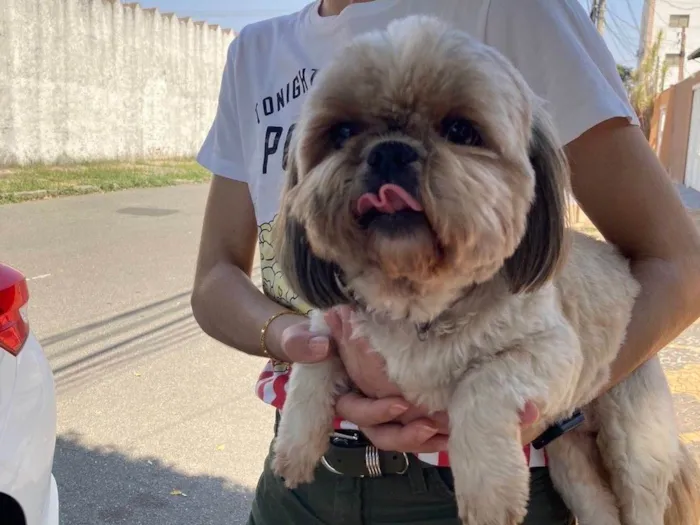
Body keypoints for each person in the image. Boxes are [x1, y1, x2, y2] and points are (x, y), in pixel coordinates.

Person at [191, 0, 700, 523]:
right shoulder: (253, 53)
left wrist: (530, 409)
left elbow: (680, 266)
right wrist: (297, 340)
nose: (388, 161)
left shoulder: (514, 11)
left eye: (458, 132)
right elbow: (214, 278)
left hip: (483, 481)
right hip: (298, 484)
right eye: (341, 135)